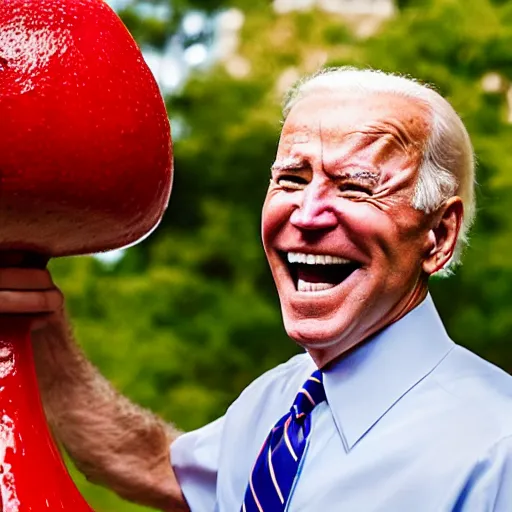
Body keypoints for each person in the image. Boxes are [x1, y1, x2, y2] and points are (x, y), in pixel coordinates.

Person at [1, 66, 512, 511]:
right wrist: (40, 325)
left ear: (438, 235)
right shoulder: (278, 400)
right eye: (291, 178)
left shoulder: (497, 446)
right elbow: (152, 463)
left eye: (355, 186)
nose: (307, 215)